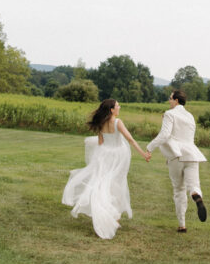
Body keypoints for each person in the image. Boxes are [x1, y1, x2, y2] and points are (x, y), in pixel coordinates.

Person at [62, 98, 150, 240]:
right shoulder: (117, 122)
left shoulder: (101, 122)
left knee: (104, 184)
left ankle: (113, 216)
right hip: (117, 156)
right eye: (117, 105)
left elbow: (101, 143)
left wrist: (98, 158)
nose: (119, 107)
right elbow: (130, 139)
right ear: (112, 109)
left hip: (104, 155)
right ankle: (113, 216)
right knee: (115, 185)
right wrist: (143, 154)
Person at [146, 89, 207, 232]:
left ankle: (182, 225)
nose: (169, 101)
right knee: (193, 186)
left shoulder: (169, 114)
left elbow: (165, 134)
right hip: (192, 155)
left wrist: (149, 148)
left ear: (176, 101)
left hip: (177, 155)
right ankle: (196, 196)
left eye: (170, 98)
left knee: (179, 190)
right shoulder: (190, 116)